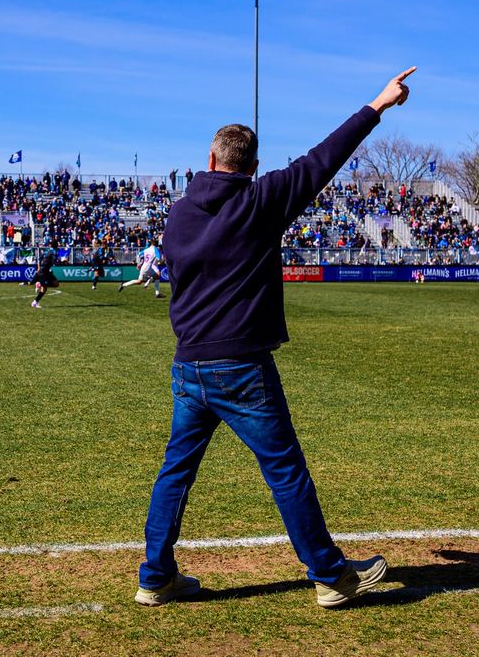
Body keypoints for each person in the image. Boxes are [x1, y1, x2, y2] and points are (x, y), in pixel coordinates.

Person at [135, 67, 415, 610]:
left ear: (210, 160)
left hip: (188, 366)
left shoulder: (177, 212)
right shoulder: (261, 200)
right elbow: (325, 157)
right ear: (253, 167)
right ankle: (330, 576)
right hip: (240, 367)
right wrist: (378, 104)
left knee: (175, 472)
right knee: (285, 470)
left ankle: (155, 577)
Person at [31, 243, 59, 308]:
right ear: (56, 246)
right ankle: (35, 301)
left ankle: (35, 302)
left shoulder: (46, 251)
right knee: (46, 288)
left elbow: (39, 259)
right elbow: (54, 261)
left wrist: (38, 267)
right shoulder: (54, 252)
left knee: (53, 285)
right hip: (45, 271)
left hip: (44, 270)